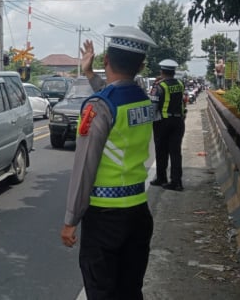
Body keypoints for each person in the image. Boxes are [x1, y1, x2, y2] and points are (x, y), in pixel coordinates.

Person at [61, 26, 156, 300]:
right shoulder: (143, 99)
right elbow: (117, 93)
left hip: (105, 219)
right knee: (130, 291)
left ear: (107, 61)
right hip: (138, 212)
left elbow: (83, 169)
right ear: (140, 66)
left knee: (101, 292)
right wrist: (91, 76)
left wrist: (71, 219)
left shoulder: (98, 107)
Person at [149, 59, 186, 191]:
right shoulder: (180, 84)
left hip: (163, 122)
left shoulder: (159, 86)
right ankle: (177, 182)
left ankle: (161, 178)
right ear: (174, 72)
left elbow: (153, 106)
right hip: (178, 122)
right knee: (176, 152)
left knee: (161, 151)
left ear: (162, 71)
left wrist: (150, 120)